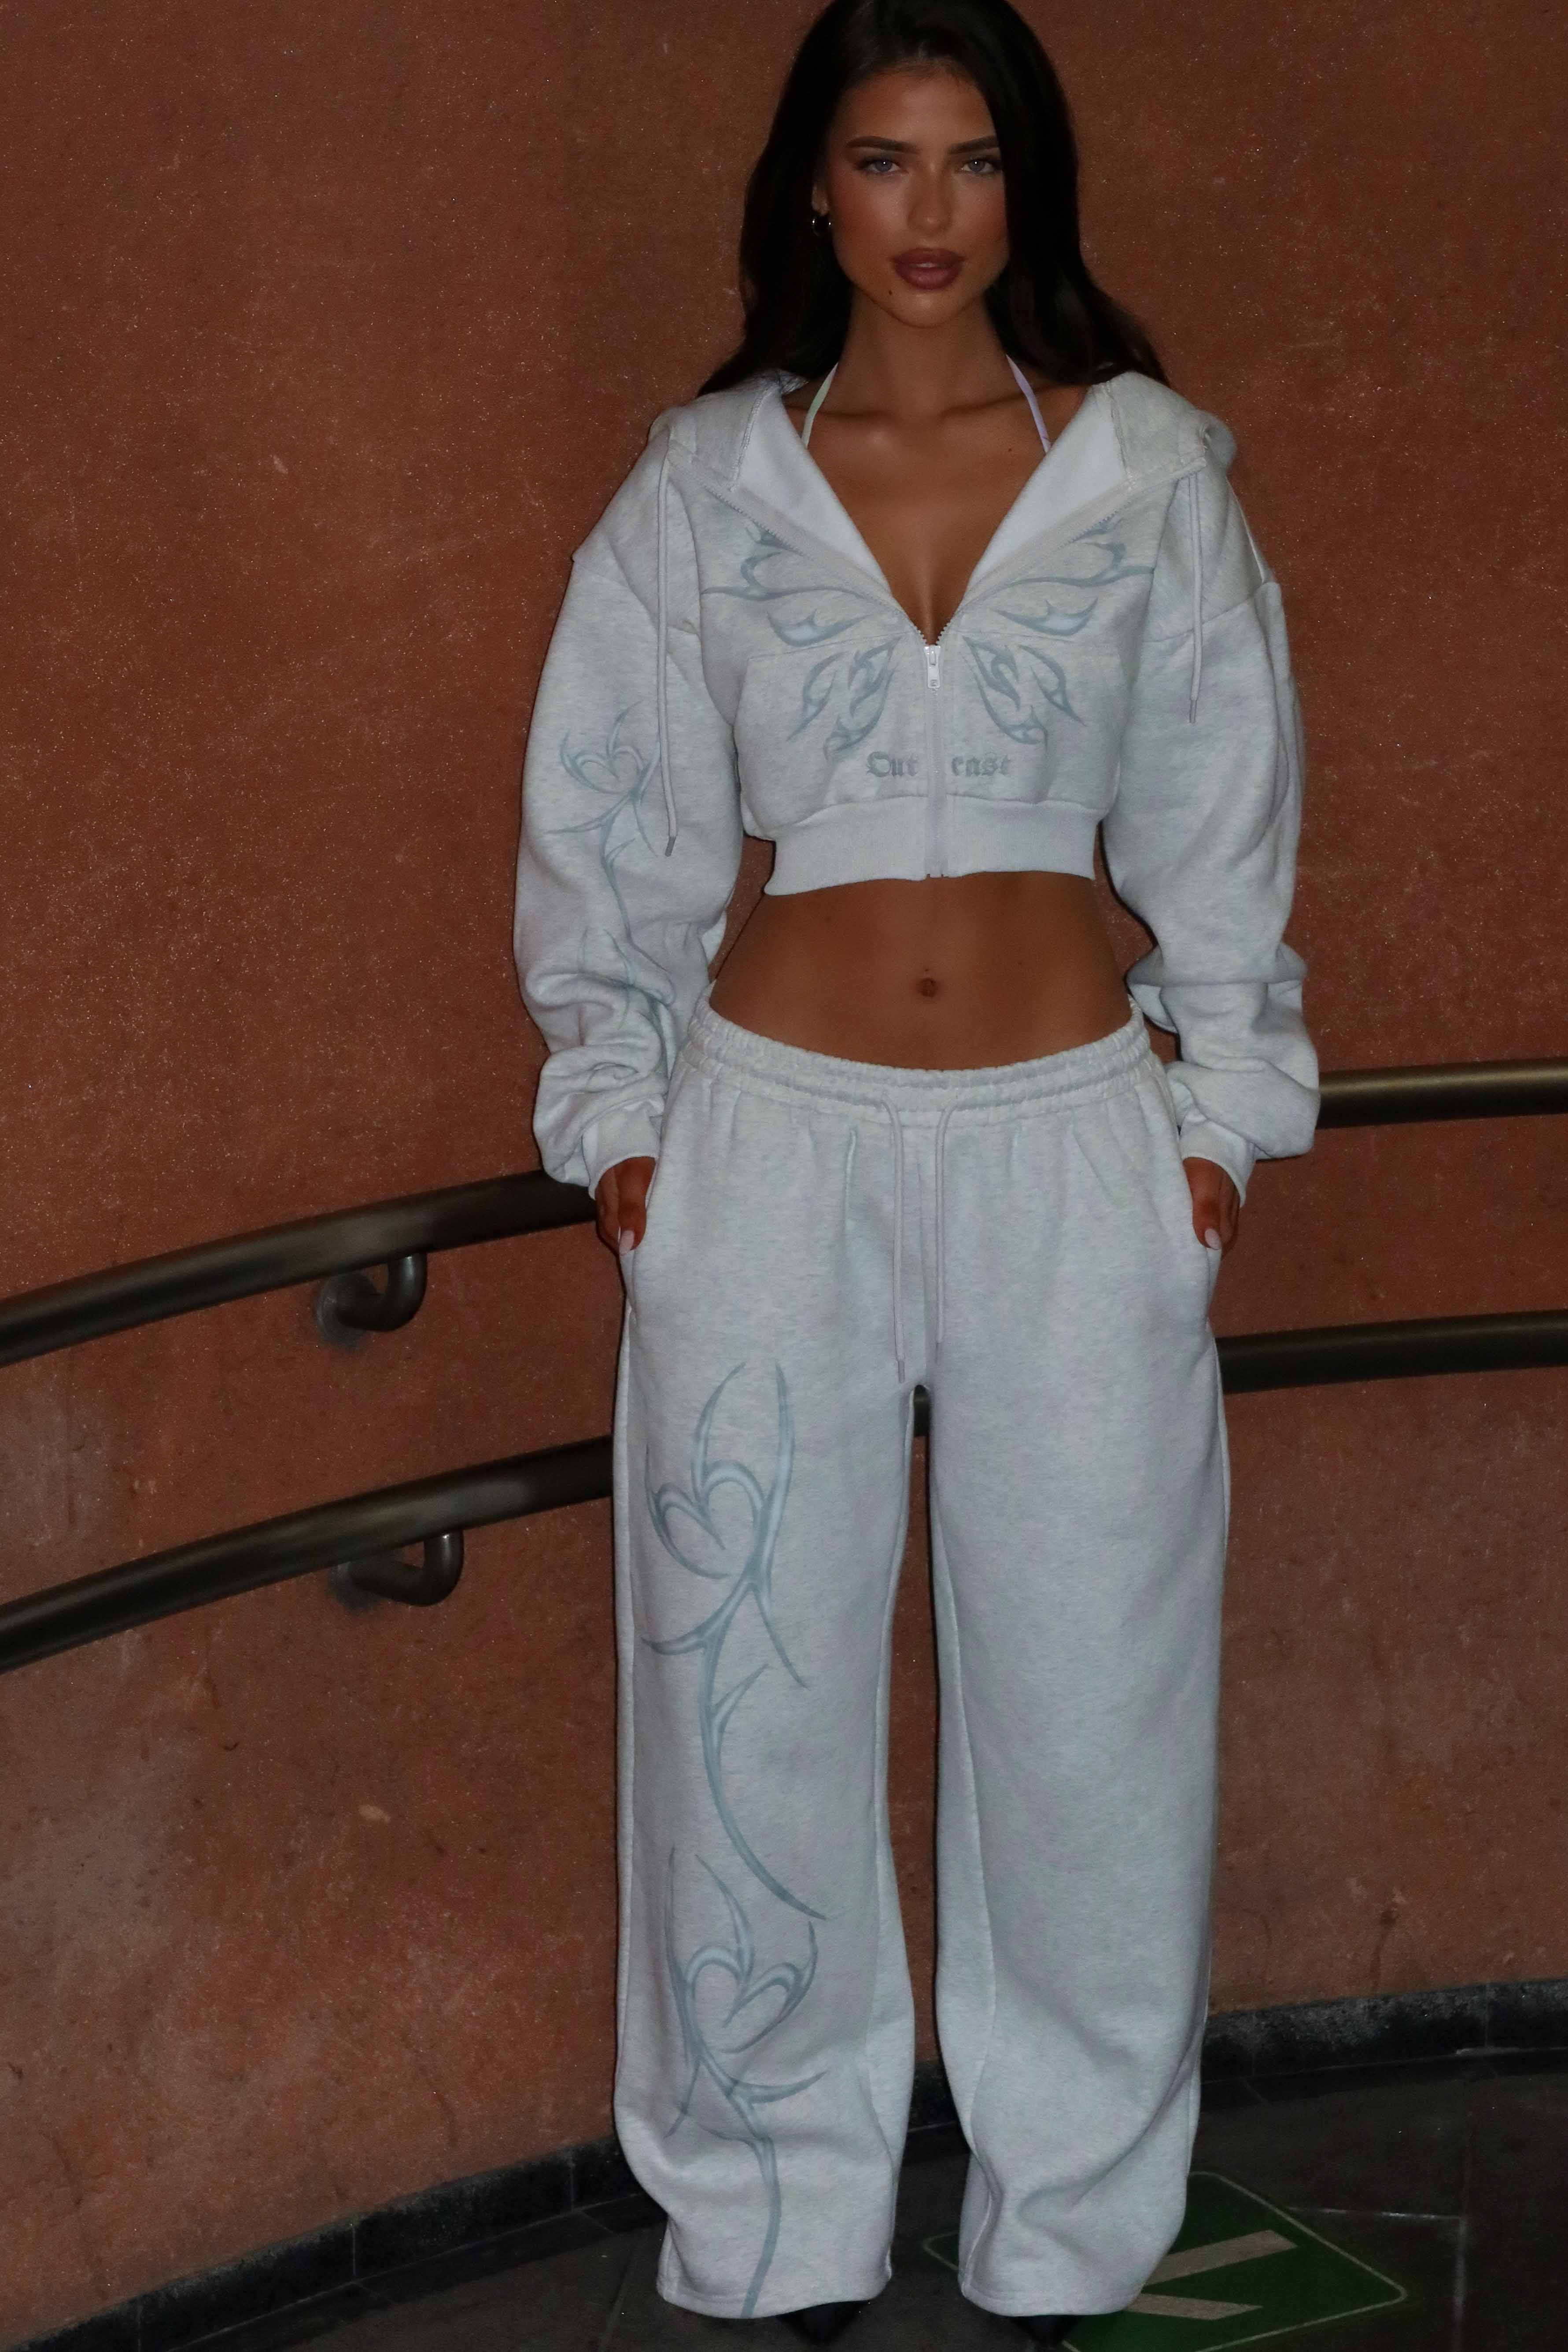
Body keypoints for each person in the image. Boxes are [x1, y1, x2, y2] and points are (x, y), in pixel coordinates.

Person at [511, 1, 1318, 2340]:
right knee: (742, 1696)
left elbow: (1229, 824)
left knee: (1097, 1707)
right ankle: (772, 2214)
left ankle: (1074, 2222)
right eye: (885, 160)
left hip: (1077, 1154)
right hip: (773, 1154)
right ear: (814, 188)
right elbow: (613, 830)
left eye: (974, 160)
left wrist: (1213, 1141)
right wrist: (630, 1142)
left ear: (1024, 185)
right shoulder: (706, 489)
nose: (932, 212)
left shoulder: (1147, 472)